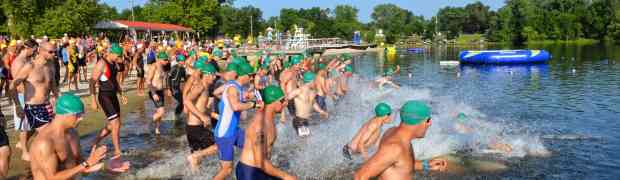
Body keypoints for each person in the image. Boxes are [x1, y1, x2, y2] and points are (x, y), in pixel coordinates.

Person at [29, 94, 129, 180]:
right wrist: (86, 163)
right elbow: (52, 178)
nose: (81, 118)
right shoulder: (44, 142)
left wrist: (104, 165)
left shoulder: (73, 133)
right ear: (65, 114)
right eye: (78, 115)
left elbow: (82, 166)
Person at [354, 100, 447, 180]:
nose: (430, 123)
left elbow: (398, 164)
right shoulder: (395, 147)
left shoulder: (395, 134)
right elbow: (360, 176)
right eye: (428, 120)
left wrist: (425, 165)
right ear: (417, 122)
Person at [10, 42, 60, 161]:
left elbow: (53, 86)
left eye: (55, 52)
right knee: (49, 134)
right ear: (40, 51)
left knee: (56, 132)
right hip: (33, 107)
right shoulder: (30, 66)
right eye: (51, 52)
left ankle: (43, 156)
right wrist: (18, 105)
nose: (54, 54)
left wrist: (59, 101)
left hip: (47, 105)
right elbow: (13, 85)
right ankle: (39, 158)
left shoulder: (50, 66)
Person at [236, 85, 296, 180]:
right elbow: (260, 161)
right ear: (273, 102)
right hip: (250, 173)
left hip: (260, 169)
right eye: (282, 100)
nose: (286, 103)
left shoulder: (268, 118)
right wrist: (285, 176)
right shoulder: (260, 126)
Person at [213, 62, 261, 180]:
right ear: (243, 75)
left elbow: (216, 93)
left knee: (255, 145)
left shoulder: (234, 86)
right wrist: (253, 104)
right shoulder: (233, 88)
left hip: (234, 130)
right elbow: (235, 107)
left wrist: (227, 101)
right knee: (227, 170)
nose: (252, 78)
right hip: (225, 133)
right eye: (250, 75)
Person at [89, 43, 128, 159]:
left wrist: (121, 94)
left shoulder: (114, 63)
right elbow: (91, 82)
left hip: (113, 96)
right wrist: (93, 100)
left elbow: (114, 81)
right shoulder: (101, 63)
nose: (120, 59)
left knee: (115, 124)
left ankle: (95, 141)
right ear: (112, 53)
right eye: (118, 56)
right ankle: (117, 151)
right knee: (115, 123)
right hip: (104, 97)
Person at [184, 60, 219, 172]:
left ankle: (195, 175)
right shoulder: (200, 86)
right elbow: (187, 101)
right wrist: (202, 116)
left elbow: (201, 107)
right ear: (208, 74)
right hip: (195, 128)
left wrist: (213, 115)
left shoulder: (205, 87)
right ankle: (194, 157)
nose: (214, 78)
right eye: (213, 75)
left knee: (197, 159)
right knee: (218, 146)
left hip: (193, 128)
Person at [8, 39, 36, 161]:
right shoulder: (18, 62)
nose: (35, 52)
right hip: (22, 96)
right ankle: (25, 152)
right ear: (28, 48)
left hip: (29, 96)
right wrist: (19, 104)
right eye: (34, 49)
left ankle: (21, 143)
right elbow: (16, 84)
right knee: (25, 127)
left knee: (34, 125)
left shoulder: (26, 60)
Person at [285, 71, 329, 137]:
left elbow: (313, 103)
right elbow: (286, 99)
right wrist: (288, 113)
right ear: (311, 81)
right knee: (303, 141)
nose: (316, 83)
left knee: (306, 141)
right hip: (298, 120)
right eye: (315, 81)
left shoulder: (312, 92)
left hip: (306, 120)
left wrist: (321, 111)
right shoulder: (299, 91)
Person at [146, 51, 170, 134]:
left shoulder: (162, 67)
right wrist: (153, 93)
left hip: (160, 91)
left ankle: (157, 129)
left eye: (167, 59)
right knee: (162, 112)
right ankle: (150, 122)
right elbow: (148, 81)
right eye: (165, 60)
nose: (167, 61)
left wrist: (167, 89)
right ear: (159, 59)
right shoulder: (154, 67)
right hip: (154, 91)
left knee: (159, 112)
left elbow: (163, 80)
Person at [168, 53, 187, 119]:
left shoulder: (182, 69)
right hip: (173, 88)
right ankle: (176, 115)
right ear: (178, 61)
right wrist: (169, 89)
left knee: (183, 102)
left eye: (184, 60)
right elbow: (168, 78)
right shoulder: (174, 68)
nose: (183, 62)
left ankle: (177, 115)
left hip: (177, 88)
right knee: (181, 102)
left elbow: (185, 79)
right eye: (182, 61)